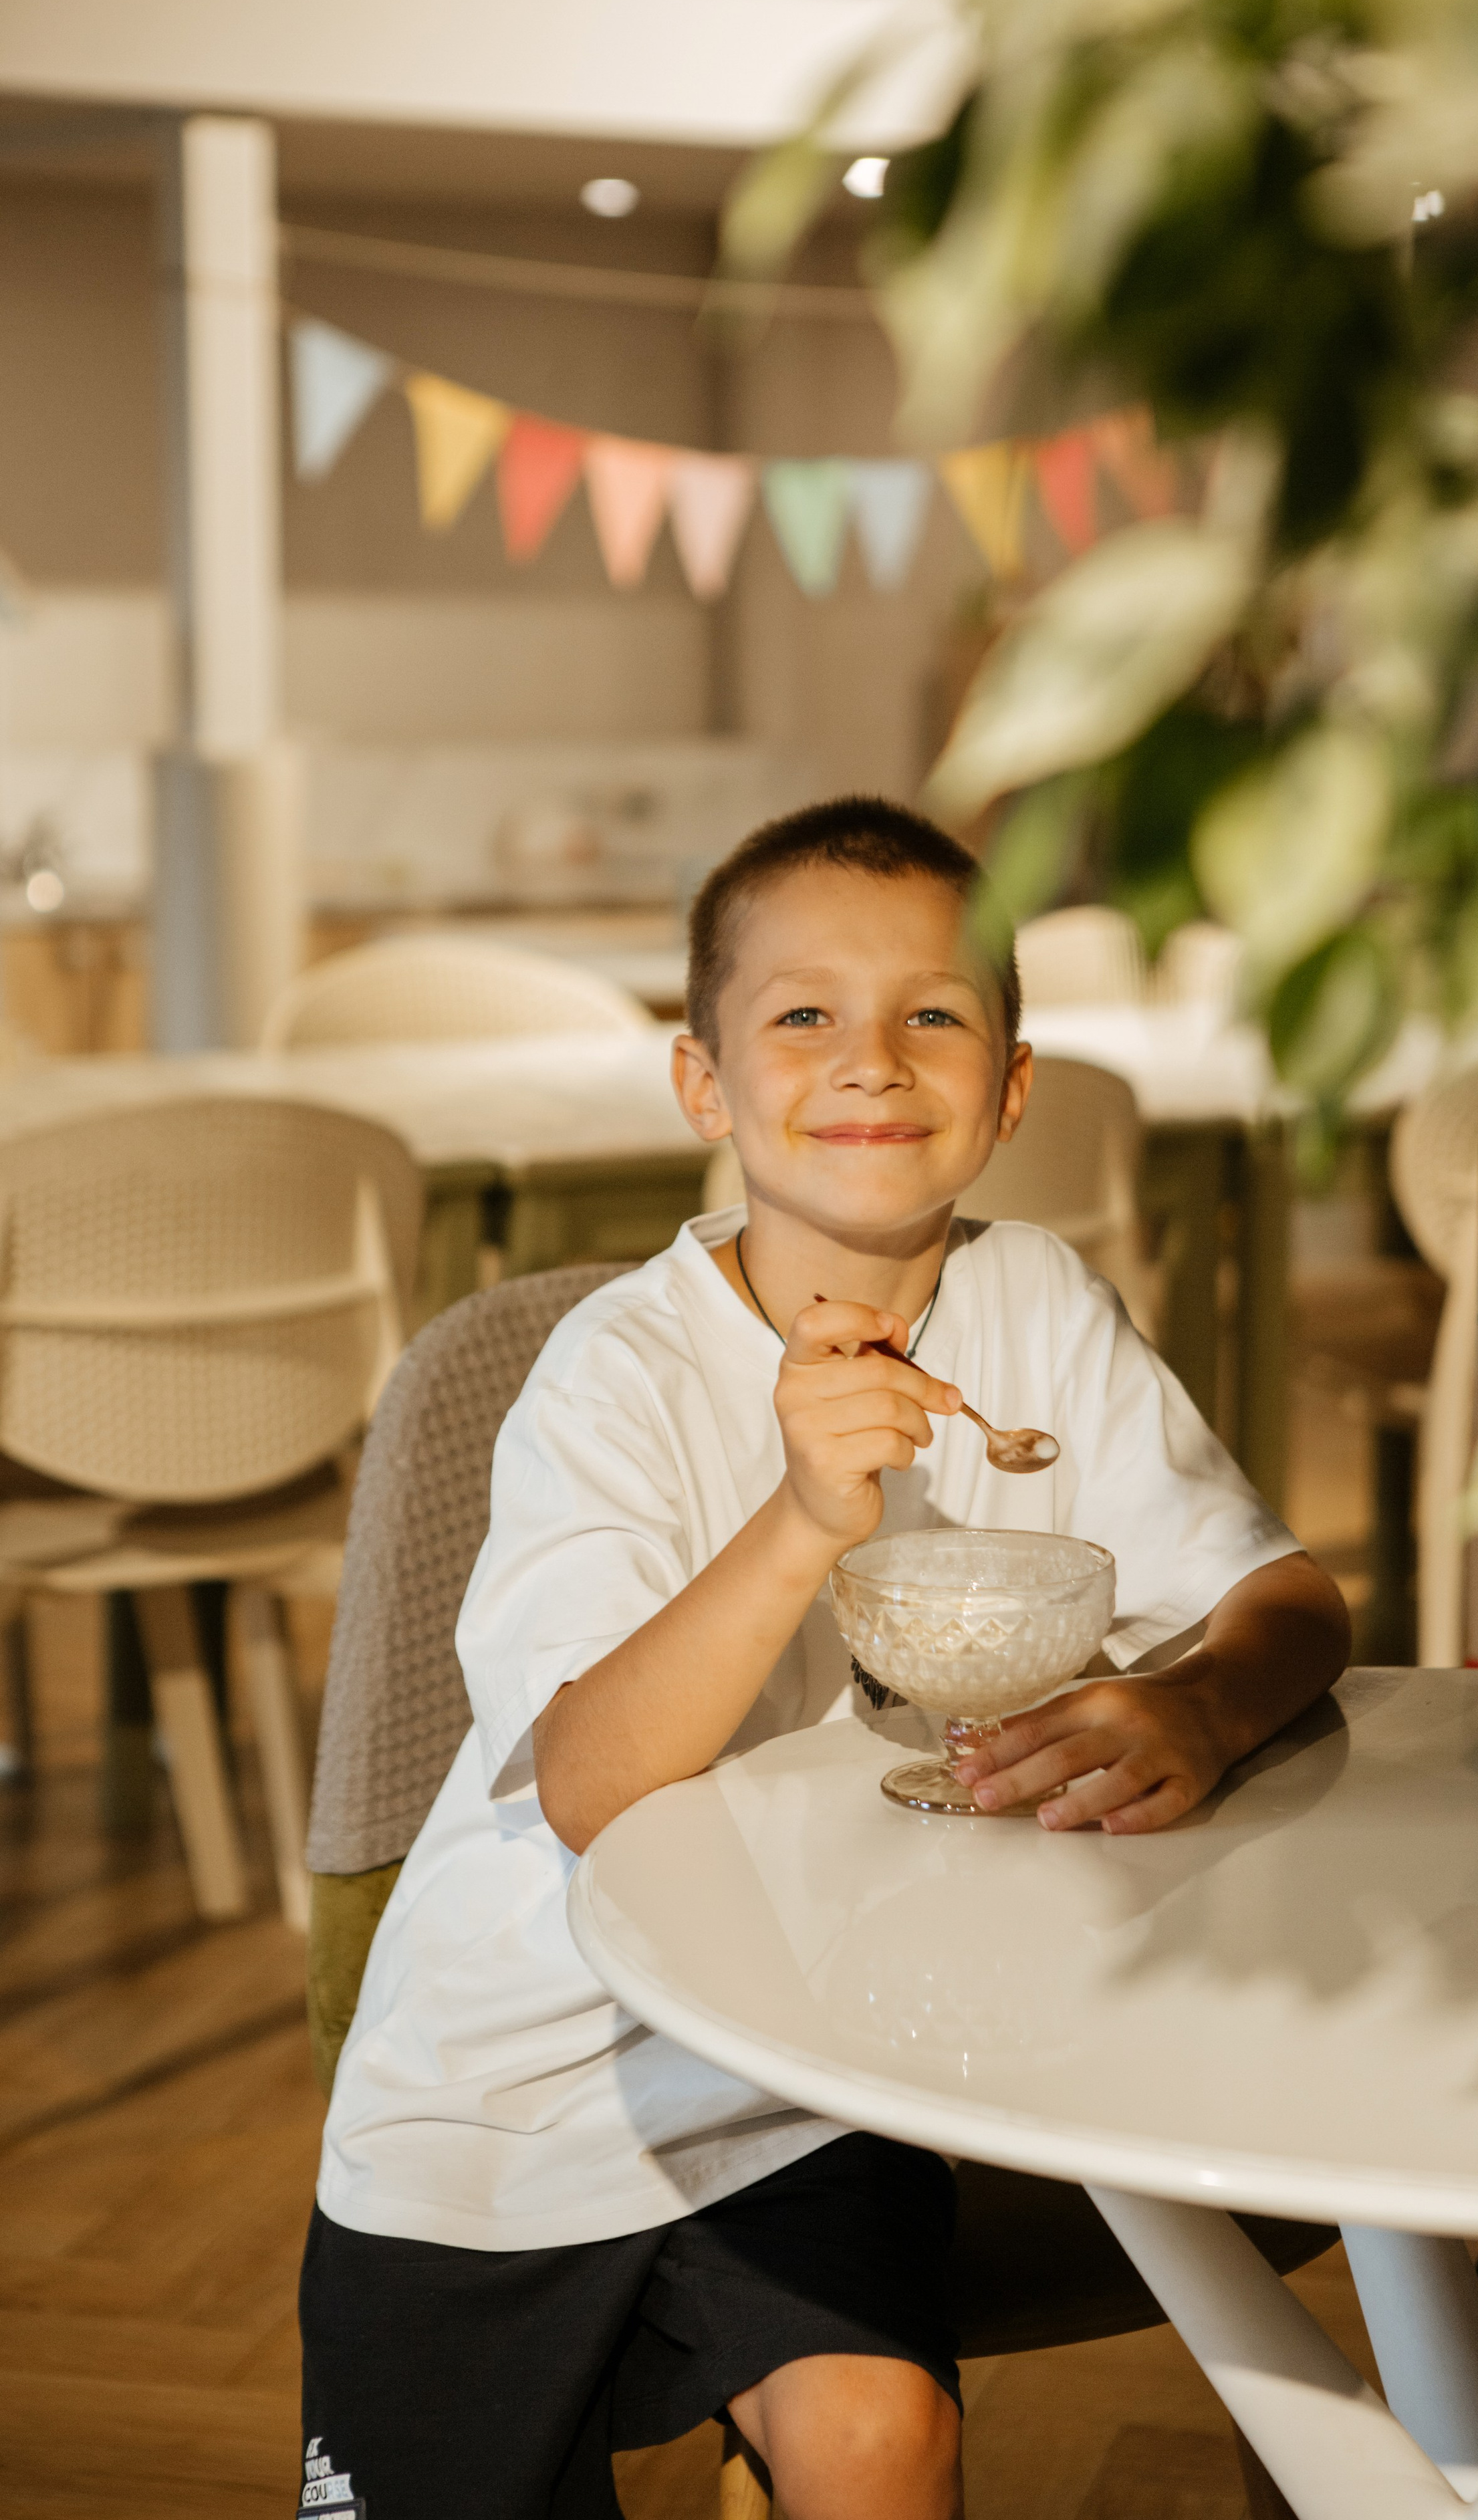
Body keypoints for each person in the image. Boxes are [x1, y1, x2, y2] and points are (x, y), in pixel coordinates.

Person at [299, 797, 1349, 2520]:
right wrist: (801, 1516)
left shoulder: (1045, 1309)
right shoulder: (613, 1373)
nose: (872, 1060)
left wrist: (1196, 1703)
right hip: (516, 2093)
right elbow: (589, 1787)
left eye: (932, 1014)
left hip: (809, 2072)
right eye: (802, 1016)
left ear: (1010, 1089)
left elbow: (1290, 1602)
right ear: (704, 1084)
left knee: (884, 2444)